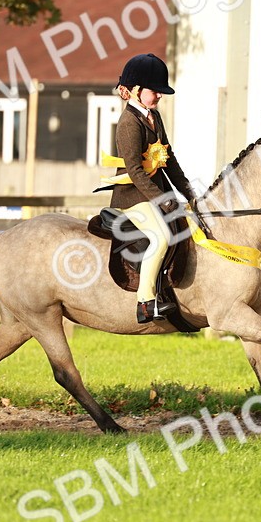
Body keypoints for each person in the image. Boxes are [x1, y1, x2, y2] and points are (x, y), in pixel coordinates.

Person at [100, 53, 198, 324]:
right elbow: (134, 170)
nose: (159, 96)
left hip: (154, 194)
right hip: (132, 197)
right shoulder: (128, 123)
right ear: (135, 90)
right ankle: (145, 303)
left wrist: (189, 192)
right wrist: (163, 200)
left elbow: (170, 160)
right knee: (161, 237)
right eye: (155, 91)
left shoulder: (154, 117)